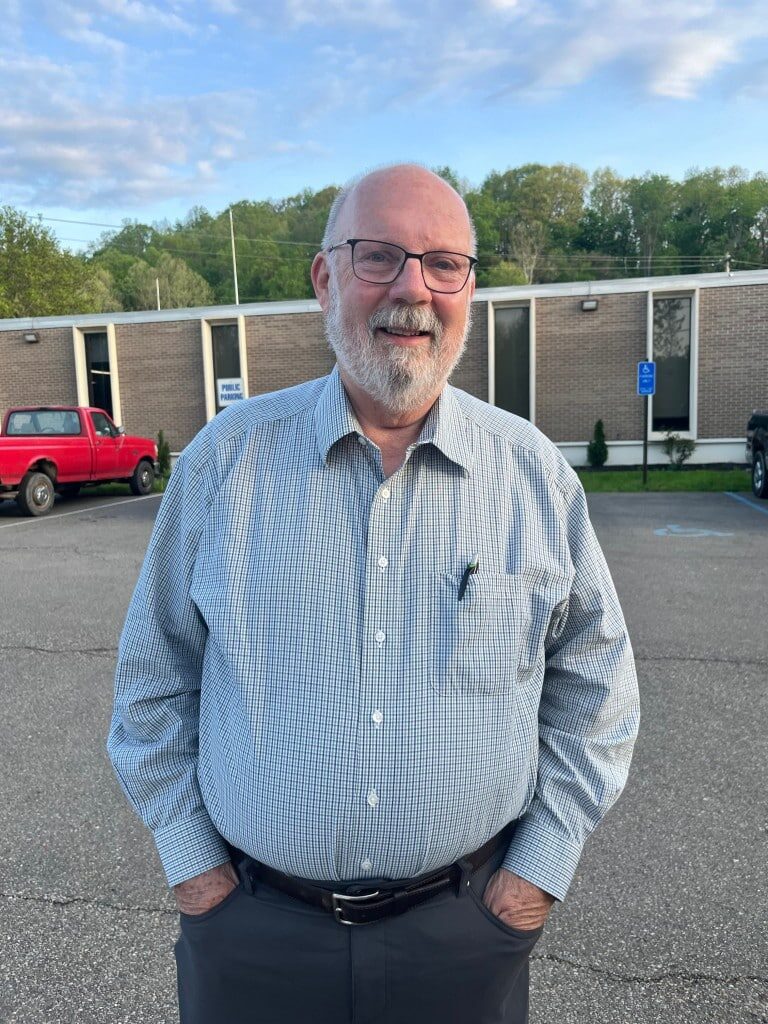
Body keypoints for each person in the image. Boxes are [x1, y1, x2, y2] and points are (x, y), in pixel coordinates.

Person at [108, 164, 639, 1024]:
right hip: (255, 938)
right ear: (324, 279)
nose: (413, 291)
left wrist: (538, 871)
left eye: (443, 264)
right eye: (379, 257)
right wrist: (195, 868)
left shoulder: (532, 473)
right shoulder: (224, 464)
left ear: (468, 286)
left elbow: (597, 685)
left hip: (466, 939)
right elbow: (153, 679)